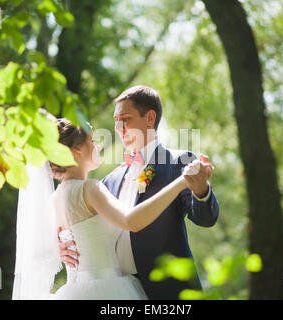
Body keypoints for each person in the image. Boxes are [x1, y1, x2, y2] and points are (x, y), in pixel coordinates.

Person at [59, 86, 219, 299]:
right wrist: (60, 245)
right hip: (117, 292)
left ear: (150, 118)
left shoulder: (178, 162)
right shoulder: (109, 180)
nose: (118, 127)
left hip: (168, 292)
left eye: (125, 119)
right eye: (116, 120)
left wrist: (201, 189)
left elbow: (206, 219)